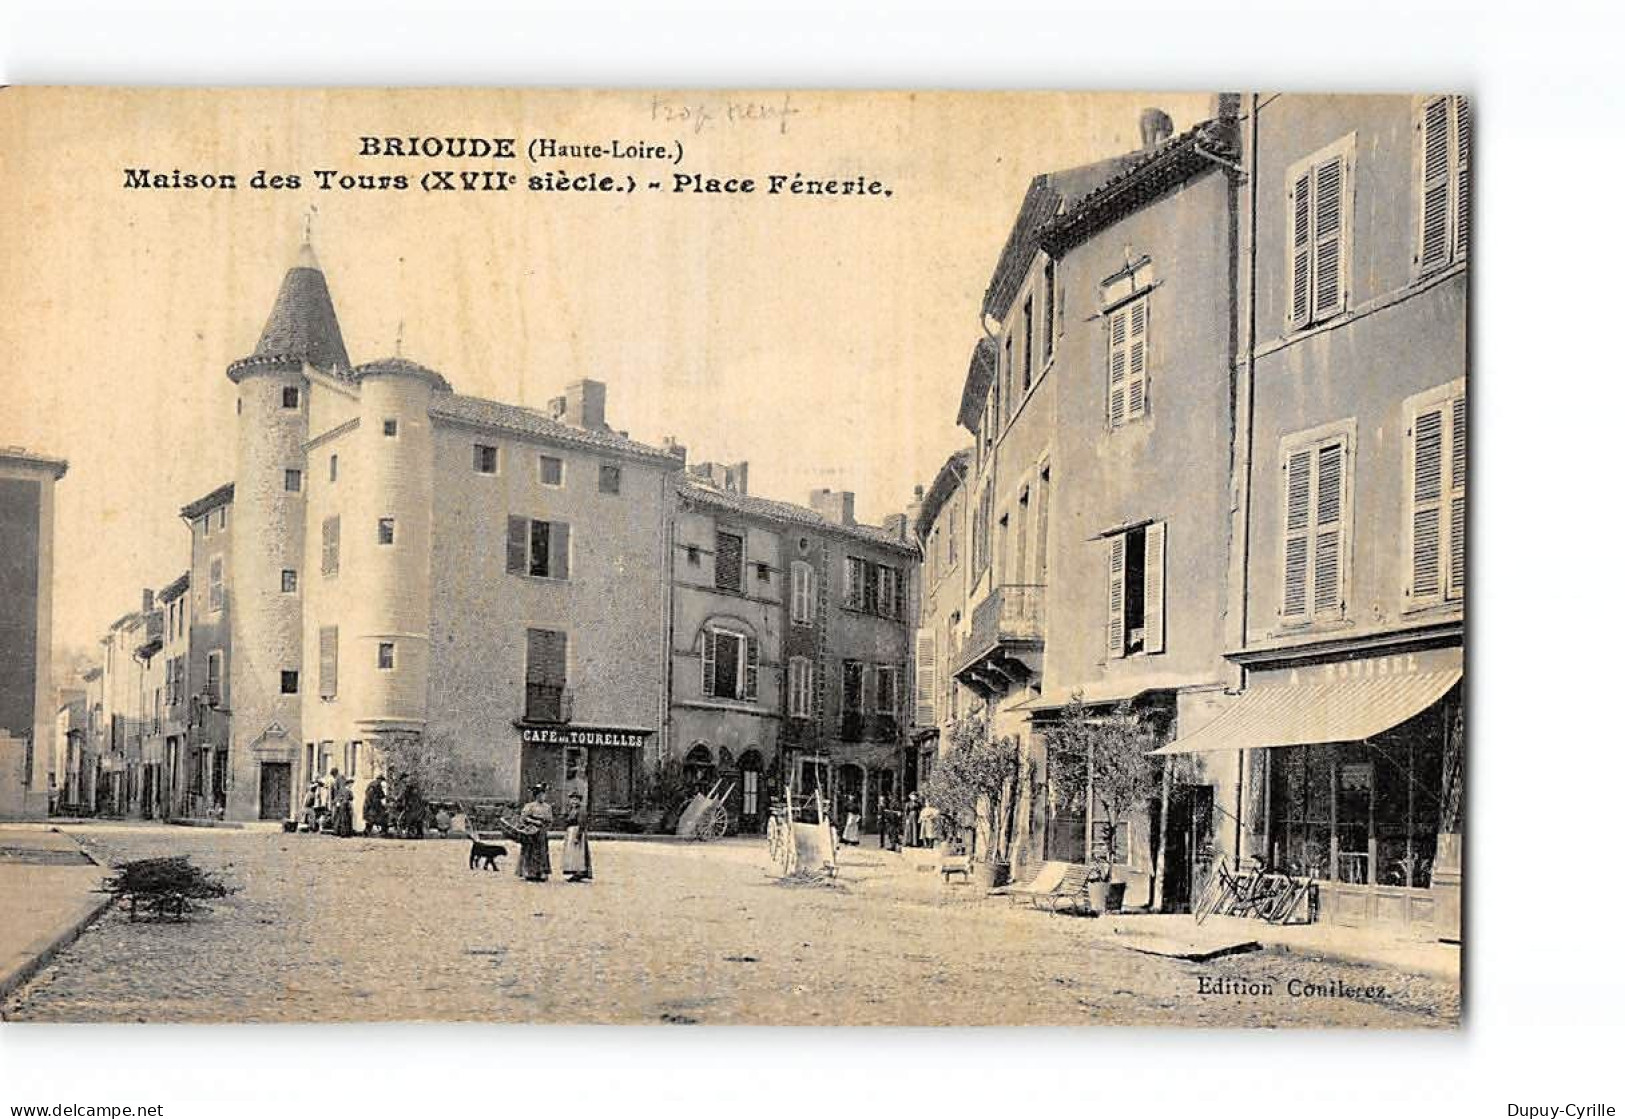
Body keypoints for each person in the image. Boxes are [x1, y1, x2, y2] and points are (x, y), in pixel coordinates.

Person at [512, 784, 554, 882]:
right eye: (540, 795)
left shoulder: (547, 807)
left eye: (544, 795)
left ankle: (541, 872)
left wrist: (546, 825)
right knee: (529, 851)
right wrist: (533, 822)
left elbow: (550, 819)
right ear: (536, 795)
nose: (542, 797)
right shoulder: (529, 806)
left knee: (542, 852)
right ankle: (529, 872)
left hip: (541, 832)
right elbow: (523, 818)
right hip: (530, 832)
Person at [560, 792, 593, 882]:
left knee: (578, 853)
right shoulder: (571, 810)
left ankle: (579, 872)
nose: (574, 801)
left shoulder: (581, 810)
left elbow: (582, 823)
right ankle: (574, 871)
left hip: (577, 831)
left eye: (576, 800)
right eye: (572, 799)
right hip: (570, 832)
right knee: (572, 853)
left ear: (579, 801)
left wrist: (577, 836)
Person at [331, 770, 354, 838]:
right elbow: (351, 798)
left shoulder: (343, 789)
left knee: (341, 818)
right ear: (348, 784)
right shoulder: (348, 790)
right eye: (351, 784)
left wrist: (337, 802)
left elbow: (338, 796)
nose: (351, 785)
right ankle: (344, 833)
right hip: (345, 806)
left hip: (342, 805)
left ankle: (341, 832)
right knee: (345, 819)